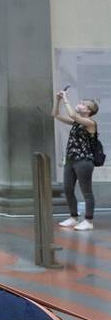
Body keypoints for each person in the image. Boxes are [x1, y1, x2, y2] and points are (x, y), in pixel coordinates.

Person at [53, 89, 99, 231]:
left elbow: (72, 113)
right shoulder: (76, 122)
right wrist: (58, 100)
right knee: (68, 188)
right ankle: (73, 217)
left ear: (89, 110)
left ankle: (89, 221)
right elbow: (55, 114)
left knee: (87, 191)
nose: (79, 104)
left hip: (84, 161)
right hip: (71, 159)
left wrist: (65, 98)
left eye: (82, 104)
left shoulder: (90, 123)